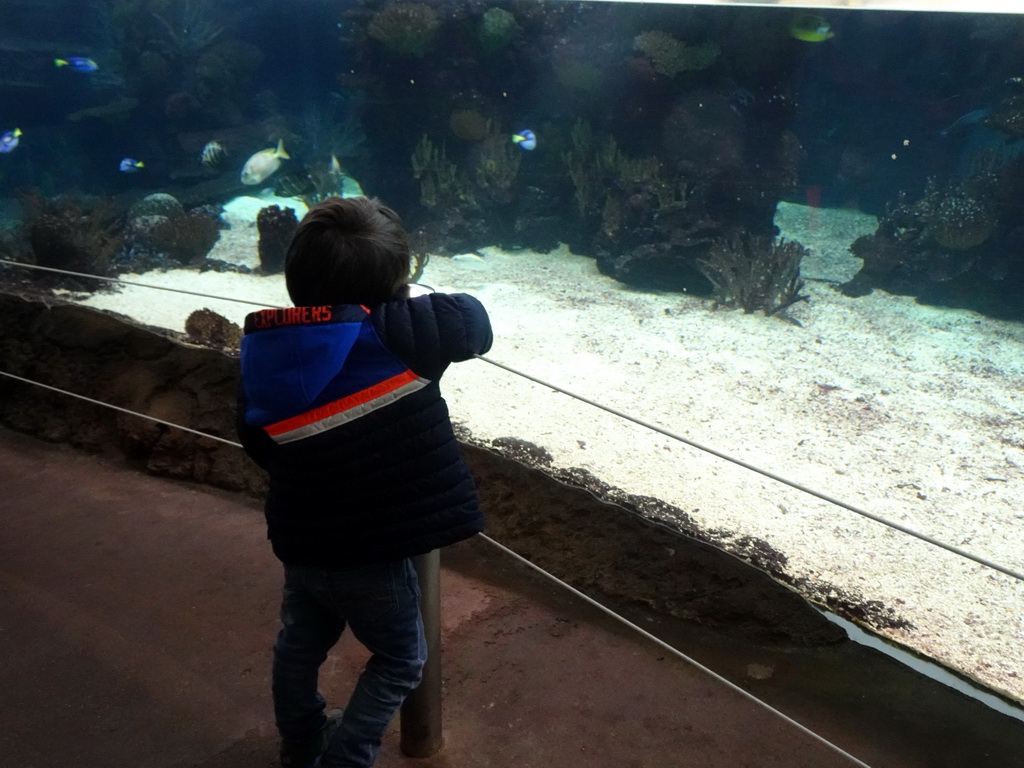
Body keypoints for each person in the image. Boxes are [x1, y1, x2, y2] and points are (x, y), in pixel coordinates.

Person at [236, 196, 493, 768]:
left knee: (300, 644)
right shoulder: (398, 333)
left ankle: (301, 742)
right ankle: (347, 758)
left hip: (303, 543)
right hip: (371, 554)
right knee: (402, 657)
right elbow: (474, 322)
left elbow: (256, 441)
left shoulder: (265, 348)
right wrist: (398, 301)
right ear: (398, 282)